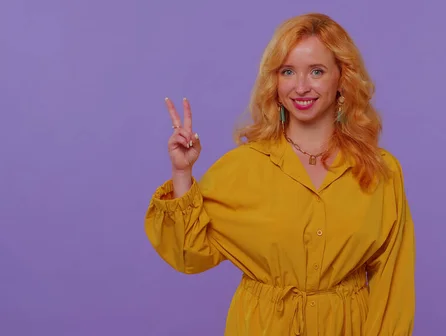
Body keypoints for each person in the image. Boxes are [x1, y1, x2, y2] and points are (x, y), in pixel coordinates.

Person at [144, 12, 415, 335]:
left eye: (317, 71)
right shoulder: (243, 167)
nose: (301, 87)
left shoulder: (380, 170)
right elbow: (188, 254)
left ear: (342, 78)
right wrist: (182, 171)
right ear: (275, 81)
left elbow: (393, 283)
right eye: (288, 71)